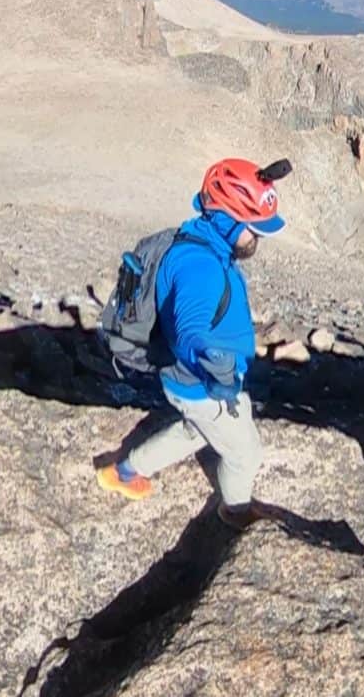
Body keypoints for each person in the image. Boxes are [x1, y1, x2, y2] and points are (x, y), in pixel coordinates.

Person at [97, 157, 284, 528]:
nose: (258, 236)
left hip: (187, 384)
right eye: (253, 227)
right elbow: (191, 336)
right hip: (205, 388)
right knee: (245, 456)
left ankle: (124, 471)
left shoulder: (201, 244)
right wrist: (223, 377)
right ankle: (236, 511)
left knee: (195, 430)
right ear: (225, 218)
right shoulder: (201, 267)